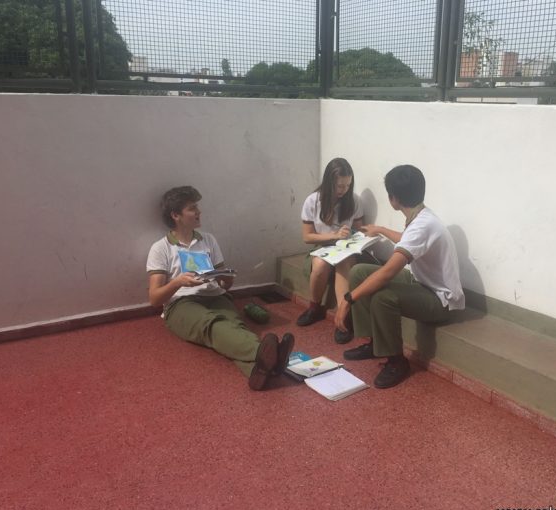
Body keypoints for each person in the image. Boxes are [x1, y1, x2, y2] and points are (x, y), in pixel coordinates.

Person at [146, 185, 294, 391]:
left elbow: (225, 284)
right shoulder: (160, 248)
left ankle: (258, 371)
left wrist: (225, 276)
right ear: (175, 215)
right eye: (192, 208)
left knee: (234, 326)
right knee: (212, 324)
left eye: (197, 207)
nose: (199, 212)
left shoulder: (208, 239)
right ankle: (269, 354)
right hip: (180, 303)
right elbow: (154, 299)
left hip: (215, 295)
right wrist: (178, 282)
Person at [335, 165, 465, 389]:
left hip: (440, 300)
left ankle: (396, 361)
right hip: (421, 283)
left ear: (393, 198)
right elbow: (407, 238)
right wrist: (380, 229)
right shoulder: (421, 215)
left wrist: (348, 300)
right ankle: (374, 343)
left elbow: (388, 272)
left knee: (383, 297)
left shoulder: (422, 225)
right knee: (359, 272)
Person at [299, 158, 364, 344]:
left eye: (348, 185)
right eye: (339, 186)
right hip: (322, 246)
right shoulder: (313, 201)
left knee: (344, 261)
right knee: (321, 264)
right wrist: (334, 235)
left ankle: (342, 318)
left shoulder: (354, 200)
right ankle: (314, 307)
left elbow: (359, 229)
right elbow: (307, 237)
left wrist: (357, 234)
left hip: (346, 249)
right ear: (329, 182)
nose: (344, 190)